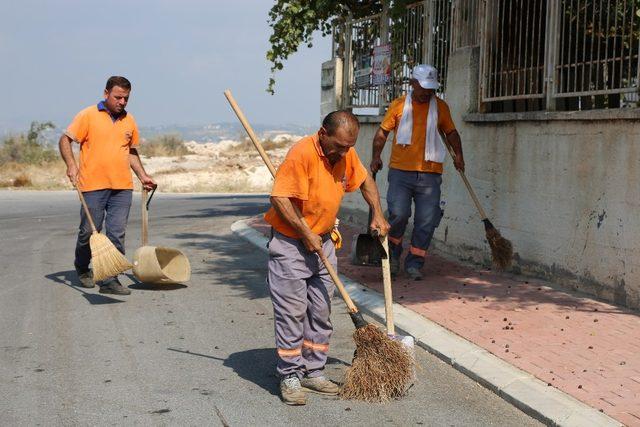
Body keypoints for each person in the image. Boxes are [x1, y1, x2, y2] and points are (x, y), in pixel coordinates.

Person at [264, 110, 390, 405]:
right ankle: (291, 374)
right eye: (339, 145)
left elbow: (366, 181)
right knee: (292, 312)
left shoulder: (346, 154)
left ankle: (314, 370)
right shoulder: (302, 153)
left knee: (320, 310)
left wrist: (377, 213)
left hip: (323, 243)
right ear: (323, 134)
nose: (345, 152)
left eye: (349, 146)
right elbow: (279, 198)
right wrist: (303, 231)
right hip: (290, 245)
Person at [59, 76, 156, 295]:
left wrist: (143, 175)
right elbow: (65, 140)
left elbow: (130, 151)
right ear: (106, 94)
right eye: (118, 97)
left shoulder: (129, 120)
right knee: (88, 232)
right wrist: (71, 165)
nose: (122, 102)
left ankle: (109, 279)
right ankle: (83, 268)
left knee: (117, 233)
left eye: (126, 98)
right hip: (92, 185)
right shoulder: (88, 115)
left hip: (122, 187)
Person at [370, 64, 465, 281]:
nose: (427, 93)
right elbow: (382, 134)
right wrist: (376, 157)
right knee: (399, 214)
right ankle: (392, 255)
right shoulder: (399, 105)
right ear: (413, 84)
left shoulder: (440, 107)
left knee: (427, 220)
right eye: (424, 88)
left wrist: (459, 155)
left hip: (430, 174)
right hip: (400, 173)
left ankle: (414, 263)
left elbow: (451, 133)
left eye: (431, 89)